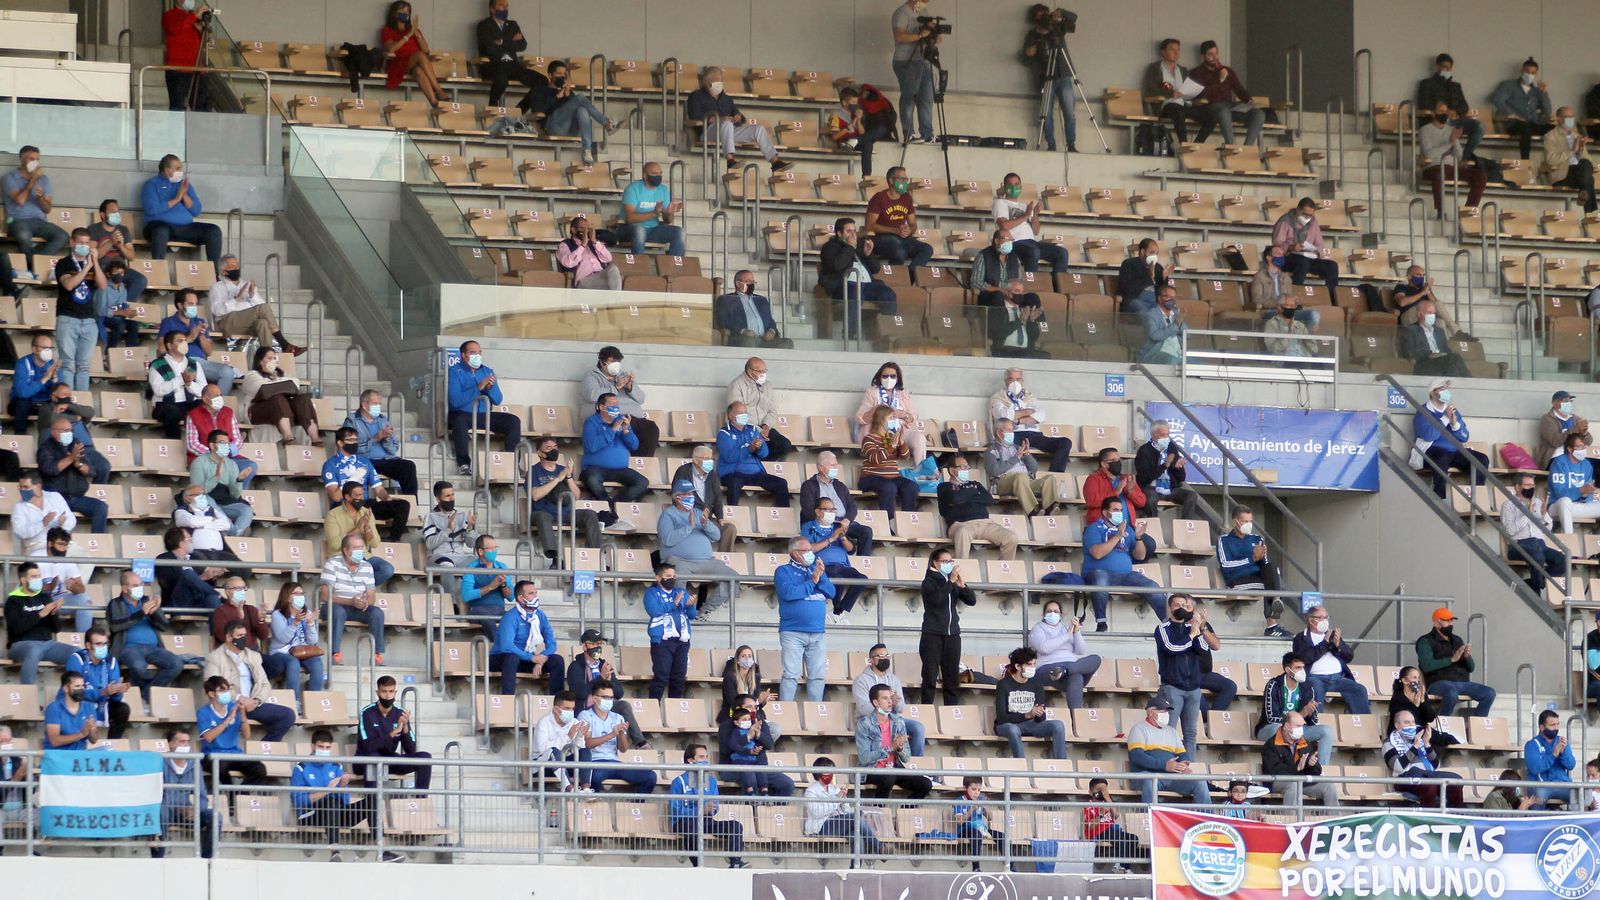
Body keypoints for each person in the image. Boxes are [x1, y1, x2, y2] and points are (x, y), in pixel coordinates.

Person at [291, 730, 398, 863]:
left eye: (327, 747)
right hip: (310, 816)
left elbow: (345, 801)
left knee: (372, 801)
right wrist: (326, 791)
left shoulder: (336, 766)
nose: (324, 750)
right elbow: (298, 801)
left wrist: (341, 787)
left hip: (335, 814)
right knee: (330, 802)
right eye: (321, 747)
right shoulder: (301, 768)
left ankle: (383, 852)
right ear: (313, 746)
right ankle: (335, 851)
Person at [203, 618, 295, 741]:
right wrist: (239, 699)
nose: (243, 639)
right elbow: (212, 686)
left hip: (252, 704)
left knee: (287, 715)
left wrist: (256, 701)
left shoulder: (253, 656)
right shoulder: (215, 657)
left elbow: (264, 684)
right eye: (239, 635)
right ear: (229, 637)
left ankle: (263, 749)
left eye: (244, 635)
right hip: (228, 705)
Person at [686, 68, 791, 173]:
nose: (719, 83)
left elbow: (739, 117)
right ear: (706, 82)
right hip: (708, 132)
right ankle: (730, 160)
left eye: (720, 80)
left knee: (758, 129)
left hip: (729, 131)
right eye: (716, 81)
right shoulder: (696, 96)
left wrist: (738, 117)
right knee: (727, 123)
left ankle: (775, 162)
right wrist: (720, 119)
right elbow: (695, 116)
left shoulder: (727, 99)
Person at [1082, 497, 1164, 629]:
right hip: (1099, 573)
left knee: (1152, 586)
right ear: (1105, 513)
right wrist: (1118, 536)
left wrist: (1138, 537)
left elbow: (1140, 556)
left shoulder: (1127, 529)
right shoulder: (1093, 529)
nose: (1119, 513)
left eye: (1121, 510)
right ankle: (1101, 622)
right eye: (1115, 510)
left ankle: (1170, 622)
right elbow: (1097, 553)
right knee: (1100, 579)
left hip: (1126, 575)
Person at [657, 480, 738, 614]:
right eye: (686, 494)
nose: (691, 497)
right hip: (681, 562)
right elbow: (667, 539)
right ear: (677, 497)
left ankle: (705, 611)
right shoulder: (668, 515)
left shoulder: (699, 513)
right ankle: (680, 614)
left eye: (692, 494)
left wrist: (706, 525)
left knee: (734, 579)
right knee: (676, 577)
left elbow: (717, 536)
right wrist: (689, 526)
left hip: (707, 562)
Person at [1154, 593, 1219, 758]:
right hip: (1172, 687)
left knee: (1190, 733)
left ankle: (1189, 766)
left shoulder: (1191, 628)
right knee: (1168, 730)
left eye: (1184, 605)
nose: (1181, 608)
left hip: (1194, 689)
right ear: (1170, 608)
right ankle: (1167, 764)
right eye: (1177, 605)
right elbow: (1172, 648)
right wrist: (1191, 635)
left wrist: (1199, 628)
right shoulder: (1162, 628)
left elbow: (1203, 650)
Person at [107, 571, 184, 704]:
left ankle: (145, 695)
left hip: (153, 648)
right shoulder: (116, 603)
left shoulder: (147, 601)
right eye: (135, 585)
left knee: (176, 664)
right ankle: (146, 698)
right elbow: (115, 626)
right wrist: (141, 613)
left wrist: (156, 611)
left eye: (141, 584)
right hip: (129, 648)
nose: (140, 588)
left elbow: (164, 626)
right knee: (139, 667)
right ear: (125, 588)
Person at [324, 428, 410, 543]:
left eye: (356, 440)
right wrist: (354, 478)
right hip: (343, 504)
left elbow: (379, 489)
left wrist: (387, 498)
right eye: (350, 440)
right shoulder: (330, 464)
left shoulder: (364, 461)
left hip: (363, 504)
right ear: (340, 443)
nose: (354, 443)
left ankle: (393, 541)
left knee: (403, 505)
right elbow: (335, 497)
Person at [447, 340, 521, 476]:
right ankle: (464, 464)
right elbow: (455, 401)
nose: (477, 355)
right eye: (473, 352)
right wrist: (478, 387)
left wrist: (490, 389)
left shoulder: (487, 371)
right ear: (463, 355)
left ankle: (513, 463)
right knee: (459, 420)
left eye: (479, 352)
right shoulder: (454, 371)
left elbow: (497, 400)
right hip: (462, 413)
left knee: (513, 421)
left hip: (483, 414)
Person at [670, 744, 749, 869]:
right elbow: (676, 810)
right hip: (684, 822)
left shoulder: (711, 781)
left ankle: (736, 862)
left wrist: (711, 809)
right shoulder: (679, 782)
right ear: (690, 760)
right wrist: (700, 810)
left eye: (706, 757)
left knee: (735, 826)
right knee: (692, 828)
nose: (706, 760)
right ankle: (698, 866)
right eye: (701, 757)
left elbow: (715, 806)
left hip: (706, 821)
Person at [208, 254, 304, 355]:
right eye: (232, 266)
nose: (236, 268)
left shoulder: (245, 284)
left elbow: (263, 309)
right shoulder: (217, 287)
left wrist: (252, 295)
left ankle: (266, 357)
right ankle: (284, 344)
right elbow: (216, 310)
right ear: (223, 271)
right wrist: (236, 299)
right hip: (228, 323)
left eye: (237, 265)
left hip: (248, 323)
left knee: (263, 323)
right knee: (263, 308)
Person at [527, 436, 604, 560]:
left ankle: (597, 555)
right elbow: (535, 496)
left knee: (590, 514)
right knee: (542, 516)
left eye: (555, 447)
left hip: (566, 512)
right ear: (540, 453)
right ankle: (554, 557)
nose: (553, 450)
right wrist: (557, 479)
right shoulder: (534, 471)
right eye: (549, 448)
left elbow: (576, 495)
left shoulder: (562, 469)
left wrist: (568, 476)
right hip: (544, 512)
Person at [776, 536, 833, 702]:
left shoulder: (816, 569)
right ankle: (786, 709)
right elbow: (789, 593)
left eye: (811, 550)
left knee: (818, 676)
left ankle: (815, 711)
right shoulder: (783, 571)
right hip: (792, 632)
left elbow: (831, 592)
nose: (811, 553)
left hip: (817, 632)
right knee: (790, 675)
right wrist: (813, 581)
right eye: (807, 550)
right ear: (795, 553)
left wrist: (819, 577)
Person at [580, 393, 647, 533]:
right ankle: (612, 513)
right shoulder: (591, 422)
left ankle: (612, 508)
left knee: (642, 482)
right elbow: (591, 446)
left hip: (620, 469)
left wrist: (626, 430)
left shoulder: (621, 420)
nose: (615, 407)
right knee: (591, 479)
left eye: (617, 404)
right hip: (595, 468)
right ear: (600, 407)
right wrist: (613, 429)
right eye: (611, 404)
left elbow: (634, 446)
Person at [1216, 504, 1287, 636]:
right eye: (1245, 521)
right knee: (1272, 585)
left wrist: (1262, 557)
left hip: (1257, 577)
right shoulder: (1224, 540)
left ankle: (1276, 600)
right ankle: (1272, 625)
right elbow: (1225, 565)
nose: (1249, 524)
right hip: (1237, 580)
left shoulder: (1257, 539)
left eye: (1250, 521)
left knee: (1272, 567)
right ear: (1235, 521)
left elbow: (1264, 564)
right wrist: (1252, 559)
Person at [196, 674, 267, 806]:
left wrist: (243, 714)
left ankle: (239, 795)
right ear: (211, 694)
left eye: (227, 690)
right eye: (221, 690)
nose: (226, 694)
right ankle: (232, 799)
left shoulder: (233, 707)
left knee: (259, 769)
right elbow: (208, 737)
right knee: (221, 767)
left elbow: (246, 735)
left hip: (234, 753)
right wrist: (228, 720)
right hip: (212, 755)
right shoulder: (203, 712)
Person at [526, 60, 617, 163]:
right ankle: (606, 123)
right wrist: (556, 97)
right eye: (559, 74)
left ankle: (587, 150)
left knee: (582, 110)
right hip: (553, 127)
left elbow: (575, 108)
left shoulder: (568, 92)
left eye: (564, 74)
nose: (562, 77)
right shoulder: (540, 89)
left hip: (571, 130)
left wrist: (568, 93)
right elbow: (538, 110)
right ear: (550, 75)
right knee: (580, 97)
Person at [50, 227, 106, 391]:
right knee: (67, 364)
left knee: (84, 366)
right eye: (81, 243)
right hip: (68, 318)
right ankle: (66, 399)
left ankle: (81, 400)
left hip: (89, 320)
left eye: (87, 243)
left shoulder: (93, 262)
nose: (84, 246)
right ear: (72, 242)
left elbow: (103, 285)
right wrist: (86, 268)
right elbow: (68, 285)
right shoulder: (64, 263)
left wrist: (95, 263)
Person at [319, 533, 388, 667]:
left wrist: (366, 602)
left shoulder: (367, 566)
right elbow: (325, 596)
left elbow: (371, 595)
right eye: (356, 548)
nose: (360, 551)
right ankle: (335, 653)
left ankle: (377, 654)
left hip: (357, 607)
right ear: (345, 550)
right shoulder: (332, 564)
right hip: (334, 605)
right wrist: (350, 601)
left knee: (377, 613)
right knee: (338, 612)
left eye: (362, 547)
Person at [1410, 378, 1485, 498]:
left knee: (1481, 459)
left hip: (1454, 451)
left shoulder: (1452, 411)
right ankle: (1439, 498)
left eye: (1446, 388)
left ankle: (1475, 498)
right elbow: (1429, 436)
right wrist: (1445, 418)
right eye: (1441, 389)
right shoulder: (1423, 412)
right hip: (1431, 452)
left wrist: (1455, 424)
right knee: (1442, 457)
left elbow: (1464, 437)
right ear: (1432, 393)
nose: (1446, 391)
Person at [1126, 697, 1208, 805]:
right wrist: (1164, 765)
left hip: (1171, 775)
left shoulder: (1171, 731)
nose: (1166, 713)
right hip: (1145, 775)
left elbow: (1182, 754)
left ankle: (1207, 816)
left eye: (1167, 711)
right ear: (1150, 712)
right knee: (1150, 781)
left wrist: (1183, 764)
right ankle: (1148, 815)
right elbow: (1137, 756)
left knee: (1200, 782)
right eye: (1161, 710)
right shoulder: (1138, 729)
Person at [581, 346, 662, 457]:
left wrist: (630, 388)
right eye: (612, 361)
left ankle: (641, 462)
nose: (616, 364)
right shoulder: (591, 376)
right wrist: (615, 387)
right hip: (611, 418)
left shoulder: (624, 375)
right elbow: (592, 396)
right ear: (602, 362)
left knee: (650, 428)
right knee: (627, 431)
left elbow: (641, 399)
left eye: (618, 361)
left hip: (633, 418)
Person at [857, 684, 934, 799]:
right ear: (875, 702)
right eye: (885, 698)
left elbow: (906, 758)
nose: (890, 702)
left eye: (890, 698)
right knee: (889, 777)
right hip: (871, 769)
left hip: (893, 768)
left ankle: (905, 809)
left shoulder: (898, 721)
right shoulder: (864, 724)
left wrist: (900, 748)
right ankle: (879, 808)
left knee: (925, 784)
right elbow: (864, 758)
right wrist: (890, 748)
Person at [357, 675, 433, 791]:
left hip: (390, 760)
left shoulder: (400, 713)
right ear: (377, 693)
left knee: (425, 758)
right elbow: (368, 747)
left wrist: (405, 728)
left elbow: (411, 750)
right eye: (384, 691)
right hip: (366, 761)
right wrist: (394, 733)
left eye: (391, 691)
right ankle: (372, 802)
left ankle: (421, 799)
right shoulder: (367, 713)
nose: (388, 696)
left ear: (395, 692)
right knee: (373, 758)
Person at [141, 154, 222, 261]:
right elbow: (151, 209)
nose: (181, 171)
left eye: (181, 168)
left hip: (185, 228)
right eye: (177, 168)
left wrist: (183, 194)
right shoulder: (151, 184)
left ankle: (214, 270)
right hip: (159, 227)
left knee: (213, 230)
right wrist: (176, 199)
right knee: (161, 230)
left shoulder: (184, 185)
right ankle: (159, 268)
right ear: (166, 170)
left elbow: (196, 211)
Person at [2, 146, 68, 279]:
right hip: (17, 220)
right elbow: (20, 201)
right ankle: (39, 268)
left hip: (40, 221)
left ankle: (33, 267)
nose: (35, 162)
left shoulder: (44, 179)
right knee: (23, 235)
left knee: (62, 236)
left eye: (37, 159)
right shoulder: (9, 178)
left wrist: (41, 198)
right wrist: (33, 179)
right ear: (21, 159)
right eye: (31, 159)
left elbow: (47, 209)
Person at [920, 547, 975, 705]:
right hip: (932, 634)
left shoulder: (951, 581)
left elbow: (971, 601)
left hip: (953, 635)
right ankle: (927, 709)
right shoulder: (929, 582)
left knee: (951, 678)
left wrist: (962, 586)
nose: (948, 564)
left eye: (950, 561)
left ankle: (951, 711)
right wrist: (950, 582)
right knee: (929, 677)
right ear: (935, 563)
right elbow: (937, 599)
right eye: (944, 561)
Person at [988, 368, 1072, 471]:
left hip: (1034, 435)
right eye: (1011, 379)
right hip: (1014, 435)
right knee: (1011, 450)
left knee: (1065, 442)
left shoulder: (1030, 397)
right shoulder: (999, 398)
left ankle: (1055, 475)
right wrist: (1028, 412)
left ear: (1022, 381)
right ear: (1005, 381)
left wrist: (1018, 420)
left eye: (1018, 379)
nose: (1015, 383)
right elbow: (1004, 415)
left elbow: (1041, 415)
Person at [1416, 607, 1495, 716]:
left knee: (1489, 693)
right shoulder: (1425, 641)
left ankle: (1475, 724)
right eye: (1447, 620)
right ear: (1437, 622)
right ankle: (1443, 723)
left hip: (1462, 683)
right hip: (1438, 683)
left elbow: (1471, 668)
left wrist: (1467, 657)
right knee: (1451, 692)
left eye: (1451, 620)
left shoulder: (1457, 640)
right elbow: (1426, 666)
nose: (1450, 623)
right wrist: (1451, 659)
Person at [578, 683, 656, 794]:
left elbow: (623, 749)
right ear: (594, 699)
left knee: (650, 776)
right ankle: (593, 803)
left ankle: (637, 804)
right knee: (594, 777)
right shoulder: (585, 715)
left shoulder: (618, 717)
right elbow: (587, 743)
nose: (609, 700)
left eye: (611, 698)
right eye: (605, 697)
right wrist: (611, 734)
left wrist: (621, 733)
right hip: (595, 761)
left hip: (614, 762)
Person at [818, 218, 897, 326]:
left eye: (854, 231)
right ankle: (851, 332)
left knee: (888, 294)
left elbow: (876, 269)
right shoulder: (830, 247)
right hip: (845, 285)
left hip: (867, 285)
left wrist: (868, 255)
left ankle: (888, 329)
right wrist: (850, 247)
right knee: (855, 295)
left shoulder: (859, 246)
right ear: (839, 233)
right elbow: (837, 266)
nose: (853, 235)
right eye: (849, 231)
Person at [1291, 606, 1370, 713]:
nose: (1324, 621)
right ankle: (1316, 719)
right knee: (1316, 687)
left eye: (1326, 618)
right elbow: (1304, 658)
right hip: (1314, 678)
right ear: (1311, 620)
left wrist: (1338, 645)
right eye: (1320, 618)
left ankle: (1363, 721)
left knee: (1359, 690)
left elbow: (1349, 656)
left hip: (1338, 678)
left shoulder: (1332, 635)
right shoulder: (1301, 638)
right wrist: (1324, 643)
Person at [1258, 652, 1334, 765]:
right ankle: (1285, 765)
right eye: (1298, 668)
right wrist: (1301, 714)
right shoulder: (1274, 685)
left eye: (1303, 667)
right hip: (1271, 728)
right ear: (1288, 670)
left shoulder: (1308, 688)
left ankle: (1322, 770)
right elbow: (1271, 717)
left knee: (1326, 731)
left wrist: (1310, 712)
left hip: (1299, 729)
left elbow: (1313, 721)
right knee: (1277, 729)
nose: (1302, 671)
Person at [490, 581, 563, 696]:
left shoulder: (540, 615)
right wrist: (532, 658)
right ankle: (508, 699)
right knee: (512, 658)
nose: (535, 596)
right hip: (501, 659)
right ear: (520, 598)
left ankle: (558, 700)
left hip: (525, 659)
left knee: (557, 660)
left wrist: (541, 659)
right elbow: (506, 646)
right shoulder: (510, 617)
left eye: (536, 593)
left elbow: (552, 644)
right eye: (531, 593)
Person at [37, 416, 109, 533]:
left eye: (71, 430)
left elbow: (91, 471)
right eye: (65, 430)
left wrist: (78, 464)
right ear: (54, 432)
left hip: (76, 497)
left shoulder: (76, 444)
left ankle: (98, 539)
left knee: (101, 507)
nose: (69, 433)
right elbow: (49, 469)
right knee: (58, 521)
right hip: (56, 499)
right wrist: (70, 458)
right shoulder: (45, 447)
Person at [804, 756, 884, 860]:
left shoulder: (834, 789)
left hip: (838, 823)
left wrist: (844, 800)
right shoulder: (811, 791)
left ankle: (855, 867)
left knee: (856, 836)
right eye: (828, 771)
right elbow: (817, 813)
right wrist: (837, 799)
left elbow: (846, 811)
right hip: (820, 826)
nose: (831, 774)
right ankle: (879, 847)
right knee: (854, 817)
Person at [240, 346, 323, 446]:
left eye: (274, 358)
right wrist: (284, 385)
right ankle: (288, 436)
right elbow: (263, 390)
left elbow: (295, 384)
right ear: (260, 361)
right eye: (269, 358)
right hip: (258, 411)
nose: (273, 361)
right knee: (277, 398)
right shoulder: (252, 375)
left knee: (303, 399)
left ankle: (315, 438)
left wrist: (276, 384)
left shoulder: (282, 374)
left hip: (283, 408)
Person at [993, 646, 1066, 760]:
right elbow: (1001, 718)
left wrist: (1039, 713)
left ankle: (1062, 764)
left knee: (1058, 725)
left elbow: (1041, 719)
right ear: (1018, 666)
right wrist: (1027, 715)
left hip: (1031, 724)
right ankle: (1021, 764)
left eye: (1034, 664)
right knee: (1013, 729)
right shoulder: (1003, 684)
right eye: (1029, 664)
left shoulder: (1036, 685)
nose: (1032, 667)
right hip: (1007, 725)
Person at [940, 454, 1018, 560]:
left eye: (967, 467)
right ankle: (960, 568)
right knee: (962, 533)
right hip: (961, 524)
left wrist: (966, 496)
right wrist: (973, 493)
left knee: (1011, 537)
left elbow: (989, 499)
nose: (966, 470)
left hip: (986, 524)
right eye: (963, 467)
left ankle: (1003, 569)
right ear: (952, 471)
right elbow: (955, 499)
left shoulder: (975, 484)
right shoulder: (945, 487)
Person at [803, 496, 867, 625]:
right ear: (817, 511)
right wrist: (832, 538)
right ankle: (837, 611)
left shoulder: (837, 527)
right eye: (827, 509)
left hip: (843, 566)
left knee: (862, 579)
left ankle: (838, 611)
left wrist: (842, 537)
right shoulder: (808, 527)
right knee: (838, 578)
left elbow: (851, 550)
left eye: (833, 510)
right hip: (823, 566)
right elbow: (809, 549)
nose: (831, 513)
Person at [851, 645, 926, 756]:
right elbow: (864, 709)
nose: (884, 658)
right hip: (870, 721)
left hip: (893, 720)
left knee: (918, 728)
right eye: (880, 656)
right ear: (871, 660)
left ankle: (915, 764)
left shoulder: (894, 679)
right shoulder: (861, 680)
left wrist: (895, 702)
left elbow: (901, 708)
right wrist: (884, 704)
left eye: (886, 655)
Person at [1188, 40, 1264, 146]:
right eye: (1210, 54)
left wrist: (1248, 100)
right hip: (1210, 107)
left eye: (1216, 53)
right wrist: (1219, 80)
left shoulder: (1227, 70)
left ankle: (1247, 147)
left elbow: (1239, 88)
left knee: (1259, 113)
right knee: (1223, 111)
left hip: (1229, 106)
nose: (1215, 57)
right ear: (1203, 56)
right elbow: (1201, 95)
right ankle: (1230, 145)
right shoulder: (1196, 73)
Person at [993, 173, 1071, 276]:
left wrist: (1035, 214)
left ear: (1021, 187)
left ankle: (1058, 285)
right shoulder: (1000, 203)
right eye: (1010, 184)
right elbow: (1004, 226)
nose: (1013, 187)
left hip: (1031, 242)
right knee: (1033, 251)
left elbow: (1036, 231)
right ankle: (1031, 282)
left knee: (1062, 253)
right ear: (1004, 187)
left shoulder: (1025, 206)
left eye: (1016, 184)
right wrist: (1025, 216)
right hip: (1014, 243)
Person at [323, 481, 397, 589]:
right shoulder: (333, 515)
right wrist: (357, 529)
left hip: (363, 556)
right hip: (342, 556)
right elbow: (334, 544)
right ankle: (356, 590)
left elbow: (375, 543)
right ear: (347, 497)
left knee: (387, 569)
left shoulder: (366, 512)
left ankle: (358, 589)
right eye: (358, 495)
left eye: (362, 495)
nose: (362, 498)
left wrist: (367, 529)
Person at [1029, 599, 1101, 709]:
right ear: (1043, 614)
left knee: (1095, 659)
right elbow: (1044, 648)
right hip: (1047, 668)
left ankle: (1065, 671)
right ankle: (1076, 716)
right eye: (1049, 611)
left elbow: (1080, 651)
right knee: (1076, 676)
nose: (1052, 614)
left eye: (1055, 611)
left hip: (1066, 670)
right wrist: (1067, 635)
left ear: (1061, 614)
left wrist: (1076, 632)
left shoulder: (1066, 628)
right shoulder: (1038, 628)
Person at [152, 727, 212, 859]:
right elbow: (154, 792)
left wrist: (196, 810)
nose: (186, 745)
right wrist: (179, 808)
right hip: (165, 810)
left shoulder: (194, 763)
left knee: (215, 817)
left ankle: (207, 860)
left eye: (187, 742)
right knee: (161, 813)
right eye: (181, 742)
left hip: (186, 812)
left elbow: (202, 795)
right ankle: (158, 858)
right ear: (171, 744)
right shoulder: (160, 762)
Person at [1385, 709, 1464, 808]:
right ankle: (1429, 816)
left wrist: (1426, 744)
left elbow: (1436, 765)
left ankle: (1455, 815)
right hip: (1404, 779)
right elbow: (1398, 766)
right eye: (1406, 722)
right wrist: (1415, 747)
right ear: (1397, 725)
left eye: (1413, 722)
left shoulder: (1420, 739)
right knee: (1429, 784)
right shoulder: (1389, 743)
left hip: (1429, 775)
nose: (1411, 725)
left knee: (1455, 782)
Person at [1419, 101, 1488, 215]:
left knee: (1480, 176)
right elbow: (1429, 154)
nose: (1444, 114)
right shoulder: (1425, 130)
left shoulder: (1450, 129)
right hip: (1433, 167)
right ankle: (1440, 210)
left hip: (1452, 167)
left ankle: (1468, 210)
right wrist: (1449, 143)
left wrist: (1455, 140)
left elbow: (1459, 155)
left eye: (1446, 112)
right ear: (1433, 113)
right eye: (1441, 111)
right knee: (1439, 174)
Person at [343, 390, 416, 497]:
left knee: (408, 466)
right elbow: (351, 448)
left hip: (386, 460)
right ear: (364, 405)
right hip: (364, 461)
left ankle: (412, 503)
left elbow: (394, 449)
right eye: (375, 403)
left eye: (379, 404)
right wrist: (375, 439)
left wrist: (386, 439)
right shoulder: (352, 421)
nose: (378, 406)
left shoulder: (383, 419)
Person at [984, 418, 1063, 517]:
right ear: (999, 433)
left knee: (1049, 478)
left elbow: (1034, 468)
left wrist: (1027, 454)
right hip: (1003, 483)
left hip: (1024, 482)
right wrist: (1016, 458)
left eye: (1012, 430)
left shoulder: (1017, 447)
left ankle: (1050, 509)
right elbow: (994, 470)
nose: (1012, 433)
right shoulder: (991, 450)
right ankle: (1033, 511)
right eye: (1008, 430)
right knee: (1020, 477)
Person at [858, 405, 921, 529]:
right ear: (881, 419)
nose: (894, 420)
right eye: (891, 417)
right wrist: (891, 446)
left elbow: (906, 457)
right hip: (871, 477)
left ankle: (908, 523)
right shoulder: (869, 438)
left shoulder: (891, 437)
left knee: (911, 486)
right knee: (889, 488)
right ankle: (889, 524)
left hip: (892, 477)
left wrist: (901, 442)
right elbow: (875, 459)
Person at [717, 401, 790, 506]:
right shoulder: (724, 434)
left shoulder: (753, 429)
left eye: (745, 412)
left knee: (781, 483)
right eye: (741, 413)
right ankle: (733, 514)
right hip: (733, 473)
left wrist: (759, 447)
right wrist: (749, 449)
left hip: (755, 473)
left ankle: (783, 514)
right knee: (734, 483)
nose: (744, 415)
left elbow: (765, 453)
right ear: (731, 416)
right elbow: (729, 457)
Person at [1261, 710, 1339, 810]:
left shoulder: (1304, 743)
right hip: (1277, 781)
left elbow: (1316, 772)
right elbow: (1273, 770)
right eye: (1298, 726)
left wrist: (1312, 765)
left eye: (1302, 726)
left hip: (1301, 781)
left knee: (1329, 786)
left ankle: (1334, 819)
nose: (1301, 729)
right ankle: (1292, 819)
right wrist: (1297, 768)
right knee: (1293, 785)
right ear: (1286, 726)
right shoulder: (1271, 745)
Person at [1505, 472, 1567, 595]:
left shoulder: (1538, 503)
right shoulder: (1508, 505)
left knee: (1562, 560)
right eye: (1528, 485)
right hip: (1519, 545)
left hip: (1540, 544)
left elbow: (1548, 529)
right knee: (1537, 556)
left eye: (1533, 485)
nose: (1531, 488)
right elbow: (1510, 531)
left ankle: (1533, 584)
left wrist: (1544, 515)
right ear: (1517, 487)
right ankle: (1536, 592)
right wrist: (1527, 515)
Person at [65, 625, 131, 740]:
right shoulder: (77, 659)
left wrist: (118, 691)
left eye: (105, 644)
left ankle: (113, 745)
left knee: (122, 709)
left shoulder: (111, 661)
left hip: (104, 703)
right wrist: (102, 692)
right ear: (88, 645)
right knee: (81, 706)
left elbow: (115, 698)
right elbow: (74, 692)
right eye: (99, 644)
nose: (103, 647)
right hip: (81, 702)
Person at [854, 361, 927, 462]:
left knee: (919, 438)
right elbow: (859, 418)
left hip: (899, 431)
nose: (889, 379)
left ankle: (921, 469)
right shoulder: (872, 393)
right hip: (878, 432)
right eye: (885, 376)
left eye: (892, 376)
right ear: (880, 377)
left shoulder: (902, 393)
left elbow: (913, 417)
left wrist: (904, 414)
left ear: (897, 378)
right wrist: (875, 411)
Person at [801, 451, 874, 551]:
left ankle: (862, 560)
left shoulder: (840, 486)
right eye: (832, 465)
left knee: (866, 531)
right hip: (822, 524)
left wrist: (847, 519)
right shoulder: (809, 486)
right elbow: (807, 509)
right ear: (821, 467)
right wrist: (824, 521)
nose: (836, 468)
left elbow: (852, 506)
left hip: (842, 522)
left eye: (836, 465)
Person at [717, 702, 792, 798]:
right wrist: (748, 737)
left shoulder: (760, 723)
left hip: (759, 766)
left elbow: (769, 745)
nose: (753, 710)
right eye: (749, 706)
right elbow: (726, 749)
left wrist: (759, 735)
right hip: (734, 767)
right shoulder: (727, 725)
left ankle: (772, 806)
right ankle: (753, 805)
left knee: (787, 784)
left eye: (755, 707)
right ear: (738, 708)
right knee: (750, 775)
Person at [864, 167, 933, 272]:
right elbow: (869, 225)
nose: (905, 182)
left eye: (906, 179)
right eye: (902, 179)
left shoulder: (907, 198)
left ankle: (909, 277)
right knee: (899, 252)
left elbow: (913, 224)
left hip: (901, 238)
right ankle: (894, 277)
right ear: (891, 180)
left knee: (927, 249)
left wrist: (909, 230)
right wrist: (895, 230)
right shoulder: (879, 198)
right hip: (881, 238)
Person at [1417, 53, 1483, 163]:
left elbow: (1464, 106)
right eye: (1444, 67)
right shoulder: (1426, 84)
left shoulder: (1455, 86)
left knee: (1479, 126)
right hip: (1438, 119)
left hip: (1455, 121)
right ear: (1437, 66)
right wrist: (1444, 111)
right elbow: (1423, 103)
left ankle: (1464, 157)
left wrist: (1455, 111)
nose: (1447, 70)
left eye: (1449, 68)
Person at [726, 356, 794, 461]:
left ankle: (762, 464)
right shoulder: (736, 385)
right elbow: (737, 415)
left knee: (785, 445)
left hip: (765, 428)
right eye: (760, 371)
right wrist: (758, 430)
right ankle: (756, 464)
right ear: (750, 371)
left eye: (764, 371)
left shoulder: (767, 385)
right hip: (746, 428)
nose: (763, 374)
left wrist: (766, 426)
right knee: (758, 445)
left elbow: (773, 410)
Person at [645, 563, 697, 700]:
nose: (672, 579)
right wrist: (673, 603)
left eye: (673, 576)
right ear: (658, 578)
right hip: (661, 641)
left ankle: (675, 709)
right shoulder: (651, 593)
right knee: (661, 676)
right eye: (668, 576)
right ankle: (653, 707)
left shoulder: (681, 592)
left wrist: (690, 606)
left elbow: (692, 615)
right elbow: (654, 611)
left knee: (679, 678)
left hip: (682, 642)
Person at [1135, 423, 1206, 522]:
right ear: (1153, 435)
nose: (1166, 438)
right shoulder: (1144, 451)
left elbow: (1181, 478)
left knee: (1191, 495)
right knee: (1150, 500)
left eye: (1167, 434)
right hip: (1151, 487)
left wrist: (1178, 468)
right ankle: (1155, 528)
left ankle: (1184, 526)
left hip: (1170, 488)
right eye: (1163, 435)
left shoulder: (1171, 447)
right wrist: (1165, 465)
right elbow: (1144, 478)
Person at [40, 385, 110, 484]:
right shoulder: (46, 408)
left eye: (69, 394)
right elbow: (51, 420)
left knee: (104, 466)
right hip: (62, 449)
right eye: (65, 394)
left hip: (86, 448)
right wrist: (75, 418)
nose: (68, 397)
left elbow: (90, 412)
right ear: (54, 397)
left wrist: (69, 406)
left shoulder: (74, 408)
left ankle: (97, 490)